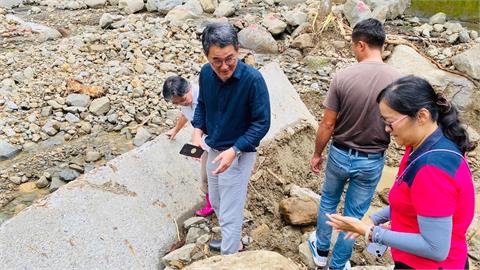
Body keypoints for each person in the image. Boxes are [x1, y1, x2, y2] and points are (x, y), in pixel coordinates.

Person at [326, 75, 475, 269]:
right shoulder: (420, 146)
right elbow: (415, 203)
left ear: (421, 116)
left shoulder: (432, 169)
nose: (387, 129)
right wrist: (375, 218)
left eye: (391, 122)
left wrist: (370, 232)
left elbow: (436, 249)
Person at [308, 18, 401, 269]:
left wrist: (317, 153)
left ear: (361, 45)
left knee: (328, 201)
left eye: (352, 45)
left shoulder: (343, 77)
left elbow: (328, 124)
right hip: (372, 159)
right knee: (355, 215)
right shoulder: (398, 81)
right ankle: (338, 264)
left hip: (339, 153)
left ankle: (320, 251)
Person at [191, 22, 271, 255]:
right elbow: (203, 106)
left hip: (239, 152)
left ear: (238, 50)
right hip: (215, 148)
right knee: (216, 201)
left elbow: (261, 123)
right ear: (206, 56)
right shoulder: (206, 74)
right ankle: (233, 242)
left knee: (230, 212)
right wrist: (197, 131)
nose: (224, 66)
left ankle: (229, 258)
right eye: (217, 60)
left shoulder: (253, 80)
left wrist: (235, 150)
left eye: (230, 58)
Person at [162, 75, 213, 216]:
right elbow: (185, 114)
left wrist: (198, 138)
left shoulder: (205, 97)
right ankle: (211, 204)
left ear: (189, 87)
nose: (182, 104)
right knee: (206, 177)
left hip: (218, 139)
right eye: (177, 103)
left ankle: (221, 205)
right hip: (205, 141)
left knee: (212, 174)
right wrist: (176, 130)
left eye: (183, 100)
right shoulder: (185, 102)